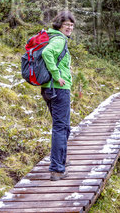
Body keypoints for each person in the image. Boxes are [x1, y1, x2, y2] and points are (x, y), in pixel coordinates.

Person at [41, 10, 75, 181]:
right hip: (58, 89)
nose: (69, 27)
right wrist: (57, 75)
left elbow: (53, 56)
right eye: (66, 24)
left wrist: (64, 69)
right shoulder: (59, 39)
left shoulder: (53, 37)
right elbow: (47, 54)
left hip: (49, 89)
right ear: (59, 24)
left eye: (71, 25)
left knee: (63, 127)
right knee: (61, 128)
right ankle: (56, 170)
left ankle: (60, 160)